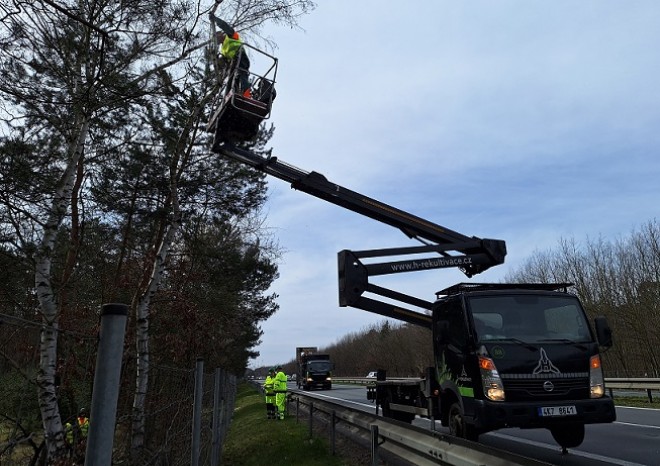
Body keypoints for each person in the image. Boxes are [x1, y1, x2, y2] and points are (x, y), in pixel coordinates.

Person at [210, 14, 251, 97]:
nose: (216, 40)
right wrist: (217, 60)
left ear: (221, 34)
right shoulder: (223, 49)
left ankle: (247, 94)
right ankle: (228, 96)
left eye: (216, 37)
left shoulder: (231, 35)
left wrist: (215, 19)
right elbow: (224, 62)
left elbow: (224, 25)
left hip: (240, 57)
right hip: (234, 63)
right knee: (231, 80)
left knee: (242, 73)